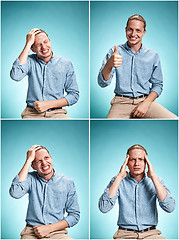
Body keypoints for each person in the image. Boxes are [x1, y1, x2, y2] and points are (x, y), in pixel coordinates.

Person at [98, 14, 177, 119]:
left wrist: (146, 103)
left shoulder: (153, 55)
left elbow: (158, 85)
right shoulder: (115, 51)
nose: (133, 34)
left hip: (145, 101)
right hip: (121, 102)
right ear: (125, 30)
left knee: (174, 121)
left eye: (138, 30)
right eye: (130, 29)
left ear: (144, 32)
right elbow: (102, 83)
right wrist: (109, 64)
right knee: (108, 128)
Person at [98, 144, 175, 239]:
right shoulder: (118, 181)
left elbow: (170, 207)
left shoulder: (156, 181)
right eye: (132, 159)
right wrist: (119, 177)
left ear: (146, 162)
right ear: (126, 162)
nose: (137, 164)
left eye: (141, 159)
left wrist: (154, 177)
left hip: (151, 234)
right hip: (124, 235)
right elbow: (104, 208)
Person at [9, 145, 80, 239]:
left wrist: (49, 228)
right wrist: (28, 160)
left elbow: (74, 216)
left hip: (57, 233)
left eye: (46, 158)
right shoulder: (29, 178)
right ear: (33, 166)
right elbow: (15, 193)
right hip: (31, 232)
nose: (44, 163)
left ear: (51, 158)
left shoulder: (67, 182)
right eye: (38, 161)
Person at [10, 28, 79, 119]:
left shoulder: (65, 63)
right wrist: (28, 44)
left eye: (46, 41)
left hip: (58, 113)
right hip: (31, 113)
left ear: (50, 41)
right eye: (38, 44)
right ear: (32, 49)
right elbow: (16, 75)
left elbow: (74, 95)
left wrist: (49, 104)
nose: (43, 47)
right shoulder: (29, 61)